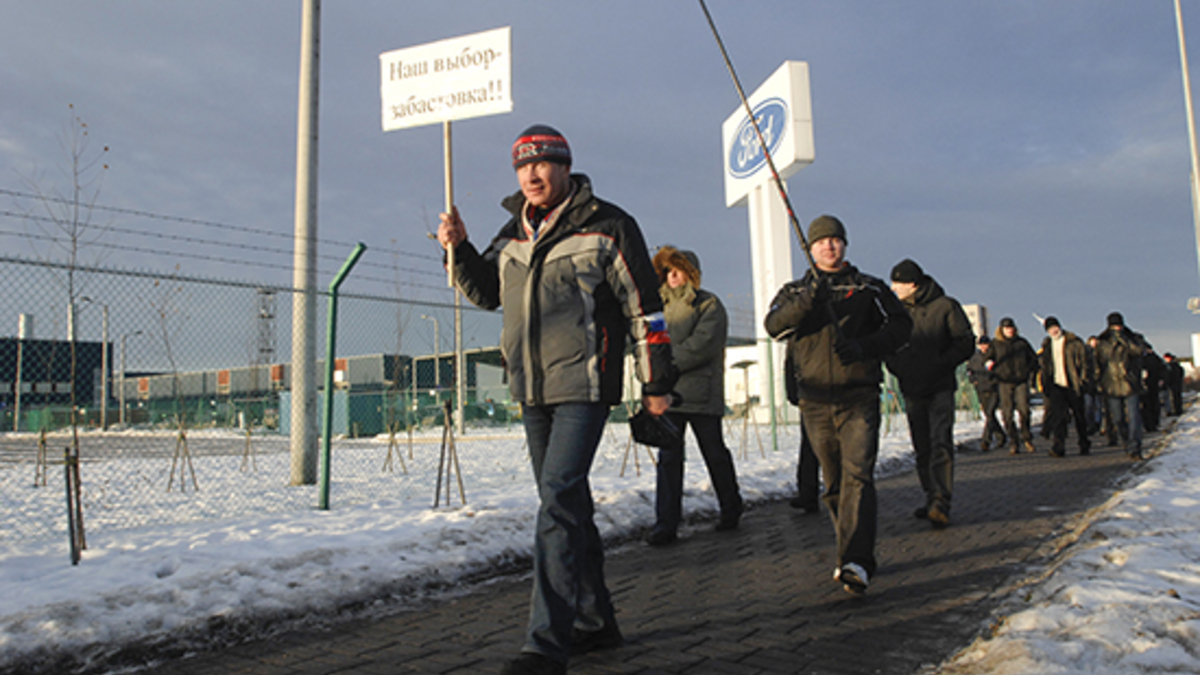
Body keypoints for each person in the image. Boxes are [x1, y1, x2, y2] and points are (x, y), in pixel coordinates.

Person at [437, 124, 676, 675]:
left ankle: (545, 645)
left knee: (558, 501)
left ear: (566, 167)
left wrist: (656, 386)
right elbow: (486, 292)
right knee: (566, 505)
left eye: (543, 164)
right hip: (531, 388)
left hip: (585, 385)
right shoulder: (513, 232)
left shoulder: (609, 225)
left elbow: (647, 310)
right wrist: (459, 247)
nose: (532, 174)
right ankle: (596, 622)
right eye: (523, 167)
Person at [764, 215, 911, 595]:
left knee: (858, 475)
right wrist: (808, 300)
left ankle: (857, 561)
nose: (829, 246)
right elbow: (775, 326)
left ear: (845, 245)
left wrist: (864, 347)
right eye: (821, 242)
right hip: (814, 400)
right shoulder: (795, 290)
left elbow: (901, 328)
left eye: (835, 240)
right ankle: (848, 550)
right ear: (809, 248)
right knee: (833, 483)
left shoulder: (869, 287)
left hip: (858, 395)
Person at [646, 246, 743, 546]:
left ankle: (731, 506)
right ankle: (666, 523)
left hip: (701, 393)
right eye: (668, 271)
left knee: (714, 452)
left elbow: (703, 346)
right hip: (668, 395)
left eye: (678, 271)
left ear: (691, 274)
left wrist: (663, 365)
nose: (672, 277)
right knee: (669, 458)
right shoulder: (655, 307)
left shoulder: (708, 305)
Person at [883, 259, 974, 527]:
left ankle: (941, 500)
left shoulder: (946, 306)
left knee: (940, 442)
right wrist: (898, 366)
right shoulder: (896, 312)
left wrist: (942, 362)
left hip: (940, 386)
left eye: (897, 282)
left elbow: (965, 342)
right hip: (911, 387)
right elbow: (888, 344)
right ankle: (929, 494)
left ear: (913, 284)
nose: (893, 287)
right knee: (921, 446)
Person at [1095, 312, 1146, 460]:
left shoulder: (1133, 338)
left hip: (1130, 383)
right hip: (1111, 383)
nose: (1117, 328)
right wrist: (1098, 381)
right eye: (1114, 326)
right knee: (1118, 418)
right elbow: (1099, 361)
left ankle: (1135, 447)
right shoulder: (1103, 341)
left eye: (1119, 325)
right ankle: (1126, 442)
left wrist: (1124, 340)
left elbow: (1138, 352)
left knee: (1134, 417)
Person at [1038, 317, 1091, 457]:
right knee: (1059, 417)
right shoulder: (1047, 345)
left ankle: (1084, 442)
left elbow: (1085, 362)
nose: (1054, 331)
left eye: (1055, 327)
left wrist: (1083, 381)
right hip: (1056, 385)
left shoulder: (1074, 342)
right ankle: (1058, 446)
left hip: (1073, 384)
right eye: (1050, 329)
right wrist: (1046, 384)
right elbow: (1045, 366)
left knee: (1079, 416)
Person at [987, 317, 1039, 455]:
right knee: (1007, 414)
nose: (1009, 331)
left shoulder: (1022, 343)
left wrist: (1029, 372)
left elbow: (1033, 359)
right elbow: (988, 360)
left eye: (1011, 328)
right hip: (1004, 382)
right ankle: (1013, 441)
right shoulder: (996, 344)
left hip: (1021, 381)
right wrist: (992, 369)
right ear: (1001, 330)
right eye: (1006, 328)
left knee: (1024, 410)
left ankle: (1027, 438)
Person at [784, 345, 821, 514]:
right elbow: (791, 360)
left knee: (810, 447)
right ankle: (807, 494)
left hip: (815, 389)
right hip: (809, 392)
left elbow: (791, 360)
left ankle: (809, 494)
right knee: (809, 446)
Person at [967, 337, 1006, 452]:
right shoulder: (974, 358)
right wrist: (973, 380)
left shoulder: (995, 356)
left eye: (986, 345)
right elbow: (969, 370)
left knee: (990, 412)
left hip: (994, 387)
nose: (984, 347)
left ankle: (986, 440)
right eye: (982, 345)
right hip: (981, 388)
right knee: (989, 414)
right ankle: (1001, 436)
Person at [1141, 345, 1165, 432]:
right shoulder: (1154, 359)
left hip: (1151, 384)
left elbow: (1162, 370)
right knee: (1149, 405)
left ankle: (1151, 424)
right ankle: (1150, 424)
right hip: (1148, 384)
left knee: (1151, 405)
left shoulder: (1154, 359)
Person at [1164, 352, 1186, 416]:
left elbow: (1169, 375)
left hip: (1173, 383)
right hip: (1177, 383)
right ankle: (1178, 410)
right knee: (1177, 397)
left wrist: (1168, 381)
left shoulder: (1170, 366)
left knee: (1174, 398)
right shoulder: (1177, 366)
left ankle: (1176, 411)